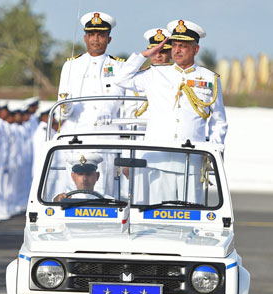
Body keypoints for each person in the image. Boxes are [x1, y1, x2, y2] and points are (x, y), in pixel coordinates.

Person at [113, 20, 226, 204]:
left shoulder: (209, 79)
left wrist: (214, 152)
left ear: (195, 50)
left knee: (190, 217)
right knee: (159, 217)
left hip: (191, 161)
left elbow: (219, 121)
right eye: (174, 45)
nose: (177, 50)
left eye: (183, 46)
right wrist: (145, 54)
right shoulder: (155, 74)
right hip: (159, 159)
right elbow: (120, 78)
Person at [58, 11, 125, 132]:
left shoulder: (119, 66)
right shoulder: (71, 65)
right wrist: (66, 107)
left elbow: (117, 95)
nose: (95, 39)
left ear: (109, 39)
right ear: (85, 38)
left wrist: (107, 109)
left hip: (107, 135)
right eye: (91, 34)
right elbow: (62, 111)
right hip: (77, 135)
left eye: (101, 35)